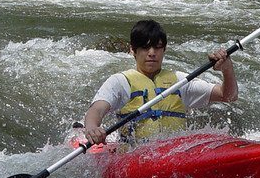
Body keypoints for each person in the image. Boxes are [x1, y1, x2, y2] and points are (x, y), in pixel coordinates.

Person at [84, 19, 238, 145]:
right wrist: (92, 128)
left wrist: (227, 69)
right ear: (133, 50)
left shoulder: (179, 81)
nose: (151, 53)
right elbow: (96, 109)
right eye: (145, 48)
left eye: (157, 48)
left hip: (175, 154)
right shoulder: (120, 81)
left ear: (164, 49)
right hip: (135, 157)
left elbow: (228, 96)